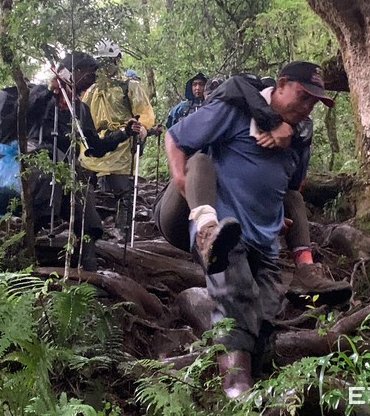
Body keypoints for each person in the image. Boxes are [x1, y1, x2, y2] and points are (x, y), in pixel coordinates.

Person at [157, 61, 346, 398]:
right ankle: (235, 387)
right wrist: (182, 182)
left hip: (265, 237)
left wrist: (282, 218)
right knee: (234, 293)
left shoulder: (298, 137)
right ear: (282, 84)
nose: (307, 108)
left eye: (314, 103)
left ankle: (262, 380)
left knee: (266, 310)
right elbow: (176, 137)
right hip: (223, 231)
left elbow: (293, 186)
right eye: (303, 97)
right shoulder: (234, 111)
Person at [27, 51, 137, 270]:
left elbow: (94, 147)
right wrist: (50, 91)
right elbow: (25, 115)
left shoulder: (80, 109)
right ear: (72, 71)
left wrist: (124, 132)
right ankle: (24, 263)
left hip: (68, 170)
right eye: (87, 73)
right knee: (38, 212)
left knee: (89, 220)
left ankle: (88, 272)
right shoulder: (41, 95)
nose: (90, 80)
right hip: (37, 166)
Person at [79, 41, 155, 237]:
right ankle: (92, 231)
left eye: (109, 61)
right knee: (87, 188)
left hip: (121, 142)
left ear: (117, 60)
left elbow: (144, 113)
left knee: (123, 191)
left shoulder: (129, 85)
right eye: (102, 62)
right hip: (95, 144)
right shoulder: (92, 90)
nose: (106, 66)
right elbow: (82, 115)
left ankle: (122, 232)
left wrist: (141, 129)